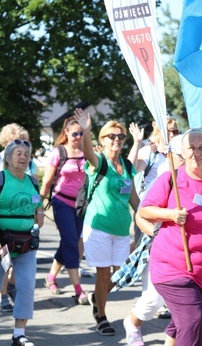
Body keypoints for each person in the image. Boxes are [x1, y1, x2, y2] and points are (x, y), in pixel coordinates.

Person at [137, 128, 202, 345]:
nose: (196, 153)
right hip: (173, 267)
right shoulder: (170, 179)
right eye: (191, 147)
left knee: (184, 321)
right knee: (192, 320)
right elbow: (144, 211)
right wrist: (170, 214)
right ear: (183, 152)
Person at [74, 108, 139, 336]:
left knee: (118, 276)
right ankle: (101, 315)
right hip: (98, 227)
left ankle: (97, 296)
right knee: (103, 274)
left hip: (121, 229)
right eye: (112, 136)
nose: (117, 140)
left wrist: (148, 219)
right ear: (103, 139)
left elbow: (134, 200)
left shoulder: (127, 166)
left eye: (120, 136)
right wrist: (86, 129)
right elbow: (87, 151)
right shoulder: (99, 162)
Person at [0, 139, 43, 346]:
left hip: (24, 244)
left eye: (26, 154)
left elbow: (37, 208)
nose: (23, 157)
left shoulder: (33, 182)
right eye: (18, 153)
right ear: (8, 157)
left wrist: (38, 215)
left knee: (27, 285)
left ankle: (19, 334)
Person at [121, 134, 185, 346]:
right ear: (171, 155)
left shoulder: (201, 178)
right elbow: (142, 215)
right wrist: (160, 232)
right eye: (183, 153)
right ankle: (133, 324)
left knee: (186, 303)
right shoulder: (164, 178)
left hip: (190, 250)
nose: (189, 156)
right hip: (161, 246)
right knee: (155, 297)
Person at [0, 123, 35, 311]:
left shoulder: (30, 164)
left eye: (24, 146)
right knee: (3, 265)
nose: (21, 152)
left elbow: (33, 188)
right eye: (14, 143)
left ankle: (9, 290)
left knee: (16, 265)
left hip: (21, 224)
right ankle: (1, 294)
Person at [39, 117, 88, 303]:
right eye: (74, 133)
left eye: (81, 133)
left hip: (80, 205)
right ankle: (78, 289)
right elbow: (47, 181)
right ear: (66, 133)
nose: (78, 137)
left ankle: (51, 277)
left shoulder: (86, 152)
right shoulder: (58, 152)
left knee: (70, 241)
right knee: (72, 243)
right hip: (61, 202)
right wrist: (39, 207)